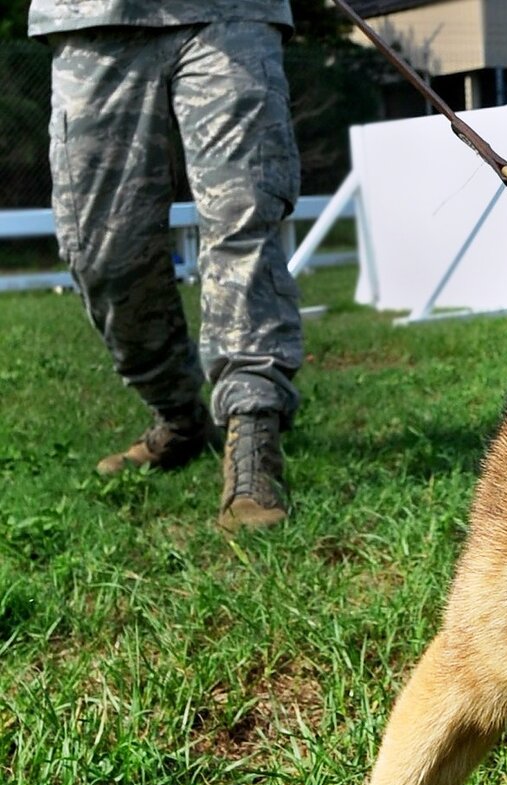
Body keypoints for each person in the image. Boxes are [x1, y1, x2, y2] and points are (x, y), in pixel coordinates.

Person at [29, 3, 304, 531]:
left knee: (242, 217)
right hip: (91, 17)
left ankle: (253, 434)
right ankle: (178, 416)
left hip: (232, 14)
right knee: (102, 253)